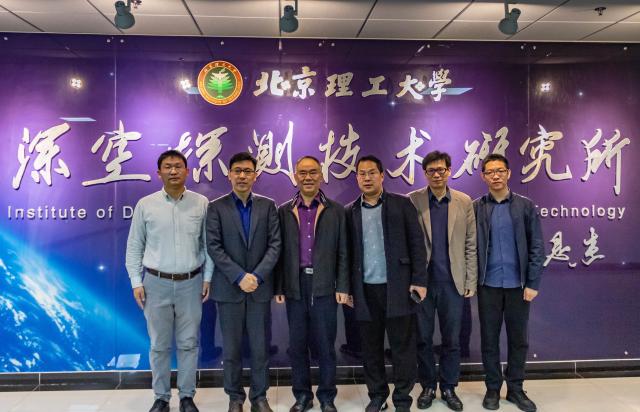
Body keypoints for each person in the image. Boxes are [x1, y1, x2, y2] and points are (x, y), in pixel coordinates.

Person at [125, 149, 212, 412]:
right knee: (159, 345)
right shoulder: (145, 205)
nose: (173, 171)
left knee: (188, 343)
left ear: (187, 171)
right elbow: (134, 246)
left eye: (178, 166)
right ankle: (161, 397)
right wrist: (136, 281)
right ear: (159, 172)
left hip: (191, 283)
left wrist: (207, 277)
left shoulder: (201, 203)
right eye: (167, 166)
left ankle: (187, 396)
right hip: (155, 283)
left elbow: (208, 246)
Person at [345, 155, 428, 412]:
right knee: (370, 348)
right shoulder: (350, 211)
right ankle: (378, 396)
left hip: (399, 288)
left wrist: (419, 280)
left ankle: (402, 399)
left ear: (382, 176)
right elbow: (345, 254)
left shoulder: (402, 205)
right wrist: (347, 288)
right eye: (362, 173)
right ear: (357, 178)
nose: (367, 178)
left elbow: (417, 244)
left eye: (372, 172)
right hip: (364, 291)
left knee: (402, 347)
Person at [206, 152, 281, 412]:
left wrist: (256, 276)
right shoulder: (216, 207)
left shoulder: (268, 206)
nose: (242, 175)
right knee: (232, 350)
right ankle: (235, 398)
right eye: (237, 170)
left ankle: (259, 397)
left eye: (247, 171)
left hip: (259, 288)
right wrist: (239, 276)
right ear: (229, 174)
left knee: (260, 348)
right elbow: (214, 246)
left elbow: (275, 245)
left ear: (255, 175)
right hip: (229, 289)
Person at [274, 155, 349, 412]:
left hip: (325, 285)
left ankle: (327, 397)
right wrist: (280, 286)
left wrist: (343, 286)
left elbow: (344, 251)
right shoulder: (284, 211)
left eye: (313, 172)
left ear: (321, 175)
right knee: (297, 346)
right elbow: (279, 252)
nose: (308, 177)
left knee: (326, 345)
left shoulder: (336, 210)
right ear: (295, 176)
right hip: (295, 286)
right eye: (303, 173)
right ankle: (303, 396)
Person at [474, 154, 544, 412]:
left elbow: (537, 246)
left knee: (519, 340)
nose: (496, 175)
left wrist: (532, 282)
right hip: (488, 285)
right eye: (490, 172)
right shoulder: (477, 207)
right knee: (489, 340)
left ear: (509, 173)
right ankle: (492, 388)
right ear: (483, 176)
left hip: (518, 286)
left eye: (500, 170)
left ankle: (515, 388)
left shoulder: (525, 206)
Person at [408, 151, 477, 411]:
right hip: (422, 284)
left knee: (452, 340)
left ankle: (449, 387)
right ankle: (427, 386)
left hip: (453, 283)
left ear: (449, 171)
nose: (436, 174)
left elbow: (470, 243)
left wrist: (470, 279)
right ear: (425, 173)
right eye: (431, 171)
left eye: (441, 170)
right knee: (423, 339)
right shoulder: (413, 200)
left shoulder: (463, 201)